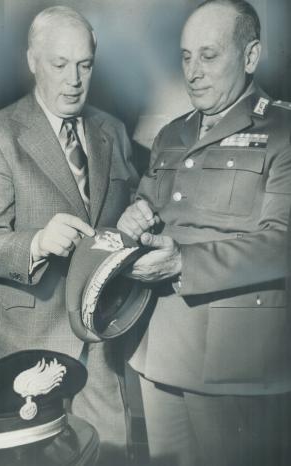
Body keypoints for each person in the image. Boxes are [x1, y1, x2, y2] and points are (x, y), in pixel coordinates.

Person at [118, 1, 291, 465]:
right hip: (158, 352)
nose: (193, 71)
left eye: (209, 55)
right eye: (186, 56)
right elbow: (152, 203)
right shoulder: (172, 134)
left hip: (234, 362)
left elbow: (283, 242)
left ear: (250, 56)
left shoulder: (284, 130)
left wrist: (183, 263)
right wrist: (134, 216)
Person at [0, 6, 138, 465]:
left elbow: (127, 215)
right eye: (59, 65)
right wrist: (37, 242)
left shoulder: (113, 132)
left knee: (110, 454)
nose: (74, 79)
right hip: (30, 353)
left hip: (101, 341)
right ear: (32, 61)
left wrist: (140, 219)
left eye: (84, 65)